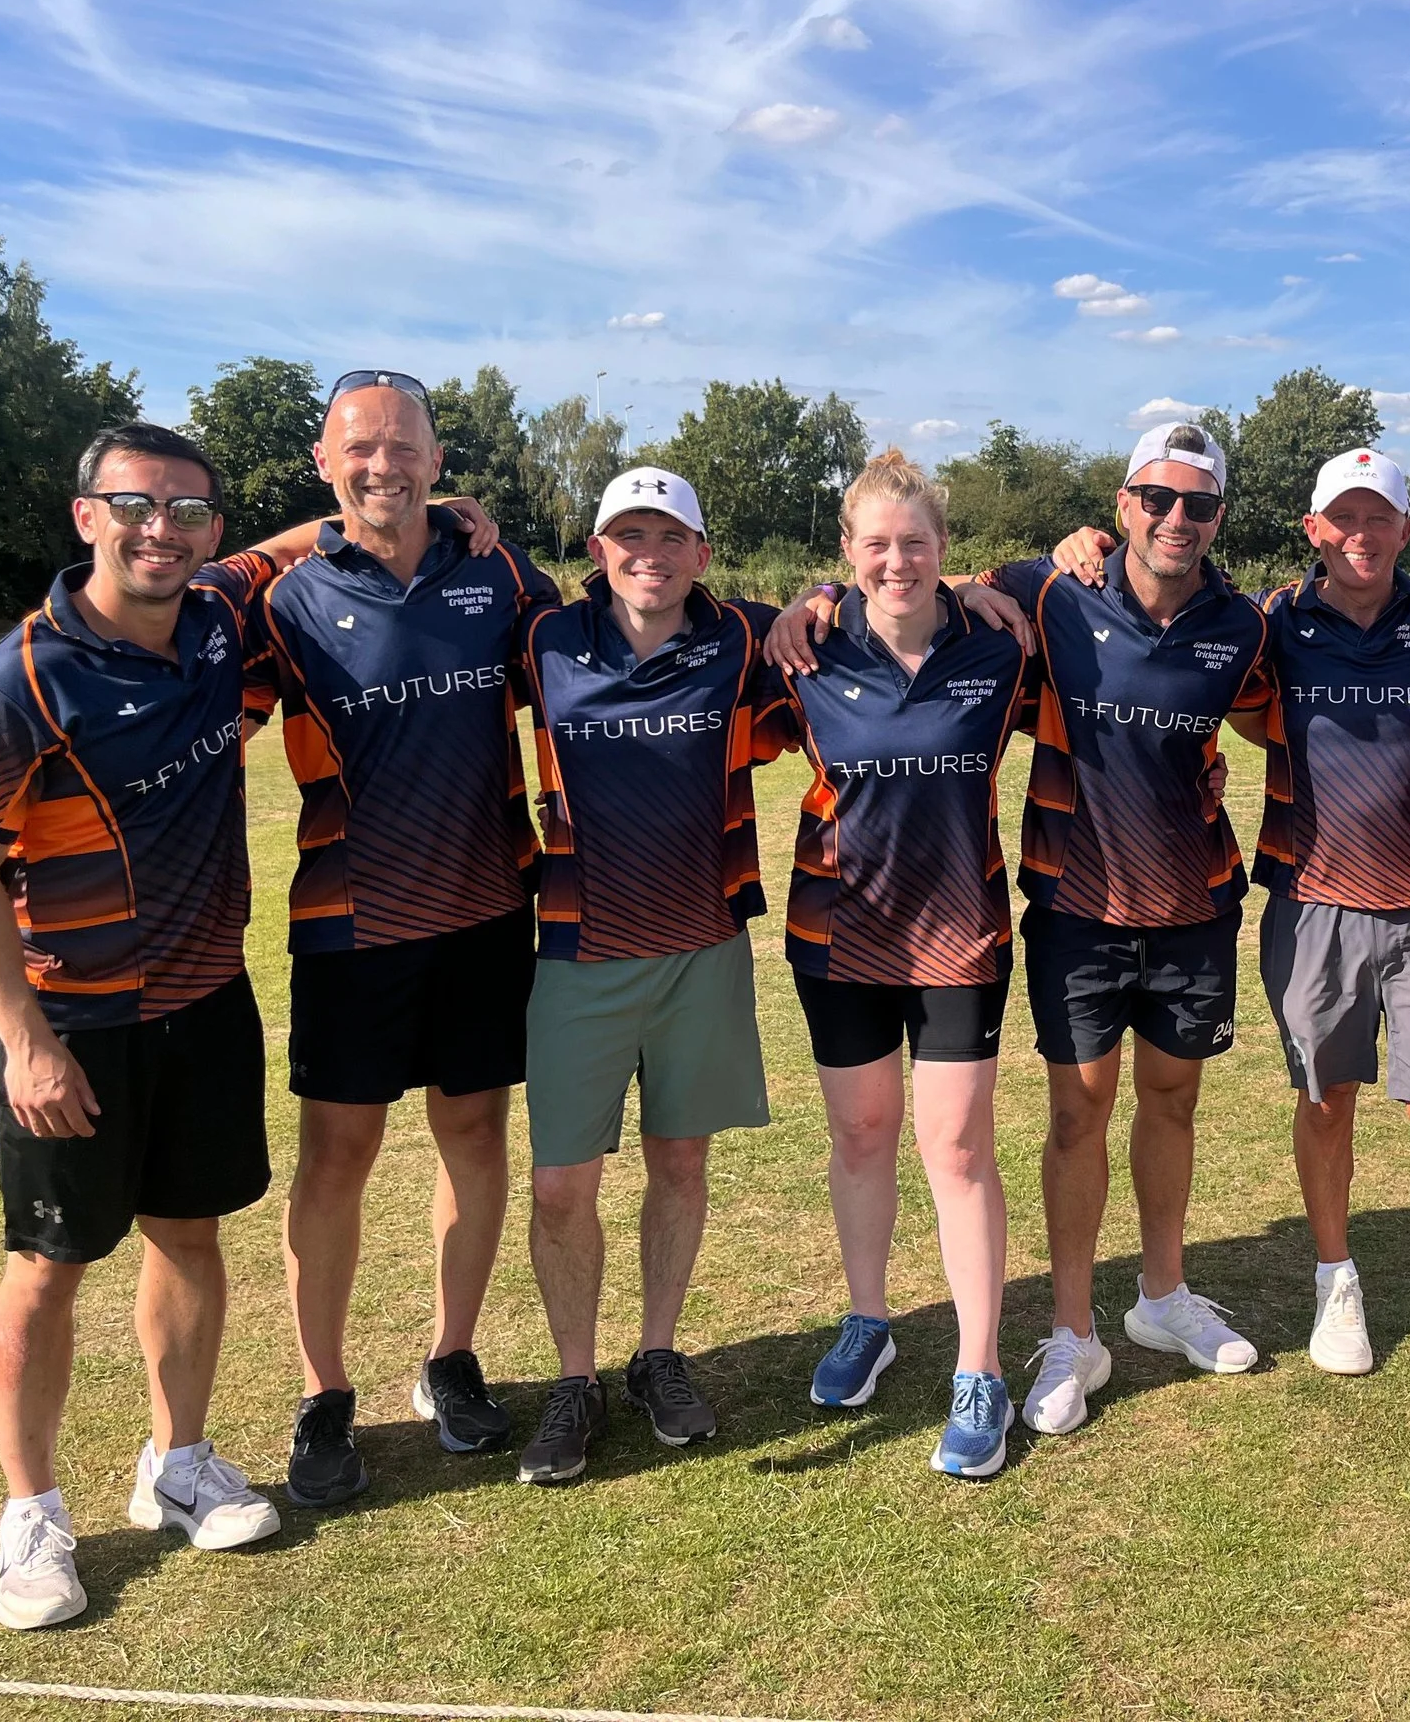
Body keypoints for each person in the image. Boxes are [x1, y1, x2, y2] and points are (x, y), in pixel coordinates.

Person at [792, 421, 1270, 1434]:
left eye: (1197, 503)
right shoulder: (1047, 597)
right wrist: (819, 597)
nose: (1174, 518)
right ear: (1123, 501)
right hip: (1074, 907)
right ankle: (1068, 1333)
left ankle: (1162, 1297)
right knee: (1071, 1120)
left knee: (1173, 1107)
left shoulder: (1245, 623)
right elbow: (942, 582)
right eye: (1155, 498)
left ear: (1219, 515)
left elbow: (1284, 713)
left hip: (1193, 904)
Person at [0, 423, 311, 1627]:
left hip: (204, 1002)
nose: (164, 530)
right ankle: (31, 1514)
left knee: (189, 1237)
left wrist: (455, 519)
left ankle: (176, 1464)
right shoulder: (15, 683)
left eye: (190, 511)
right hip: (73, 1027)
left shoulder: (212, 616)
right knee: (47, 1268)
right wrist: (25, 1040)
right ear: (87, 514)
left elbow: (308, 537)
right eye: (136, 506)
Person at [1046, 447, 1410, 1426]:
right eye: (1343, 518)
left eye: (1379, 517)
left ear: (1405, 531)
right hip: (1310, 896)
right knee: (1323, 1100)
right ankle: (1336, 1286)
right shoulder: (1269, 621)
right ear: (1313, 531)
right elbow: (1231, 710)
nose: (1361, 535)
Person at [248, 370, 562, 1505]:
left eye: (403, 447)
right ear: (326, 466)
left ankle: (449, 1357)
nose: (383, 465)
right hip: (350, 926)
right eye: (359, 450)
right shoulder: (279, 597)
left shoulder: (497, 571)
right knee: (337, 1157)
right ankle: (324, 1394)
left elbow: (606, 640)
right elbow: (159, 592)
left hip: (487, 914)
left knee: (474, 1136)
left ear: (438, 461)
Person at [509, 467, 791, 1485]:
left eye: (670, 537)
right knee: (557, 1186)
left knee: (680, 1165)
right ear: (597, 551)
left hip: (702, 948)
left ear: (701, 554)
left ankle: (657, 1354)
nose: (649, 555)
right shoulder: (540, 640)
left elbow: (851, 606)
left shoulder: (743, 638)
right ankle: (574, 1380)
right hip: (578, 952)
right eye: (628, 536)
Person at [774, 452, 1034, 1477]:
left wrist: (987, 586)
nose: (896, 562)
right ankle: (868, 1320)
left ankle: (980, 1369)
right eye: (874, 546)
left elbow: (1060, 571)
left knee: (958, 1147)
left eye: (914, 544)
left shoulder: (1001, 646)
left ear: (943, 551)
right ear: (846, 553)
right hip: (837, 935)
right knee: (861, 1133)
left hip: (961, 931)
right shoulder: (798, 651)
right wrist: (807, 600)